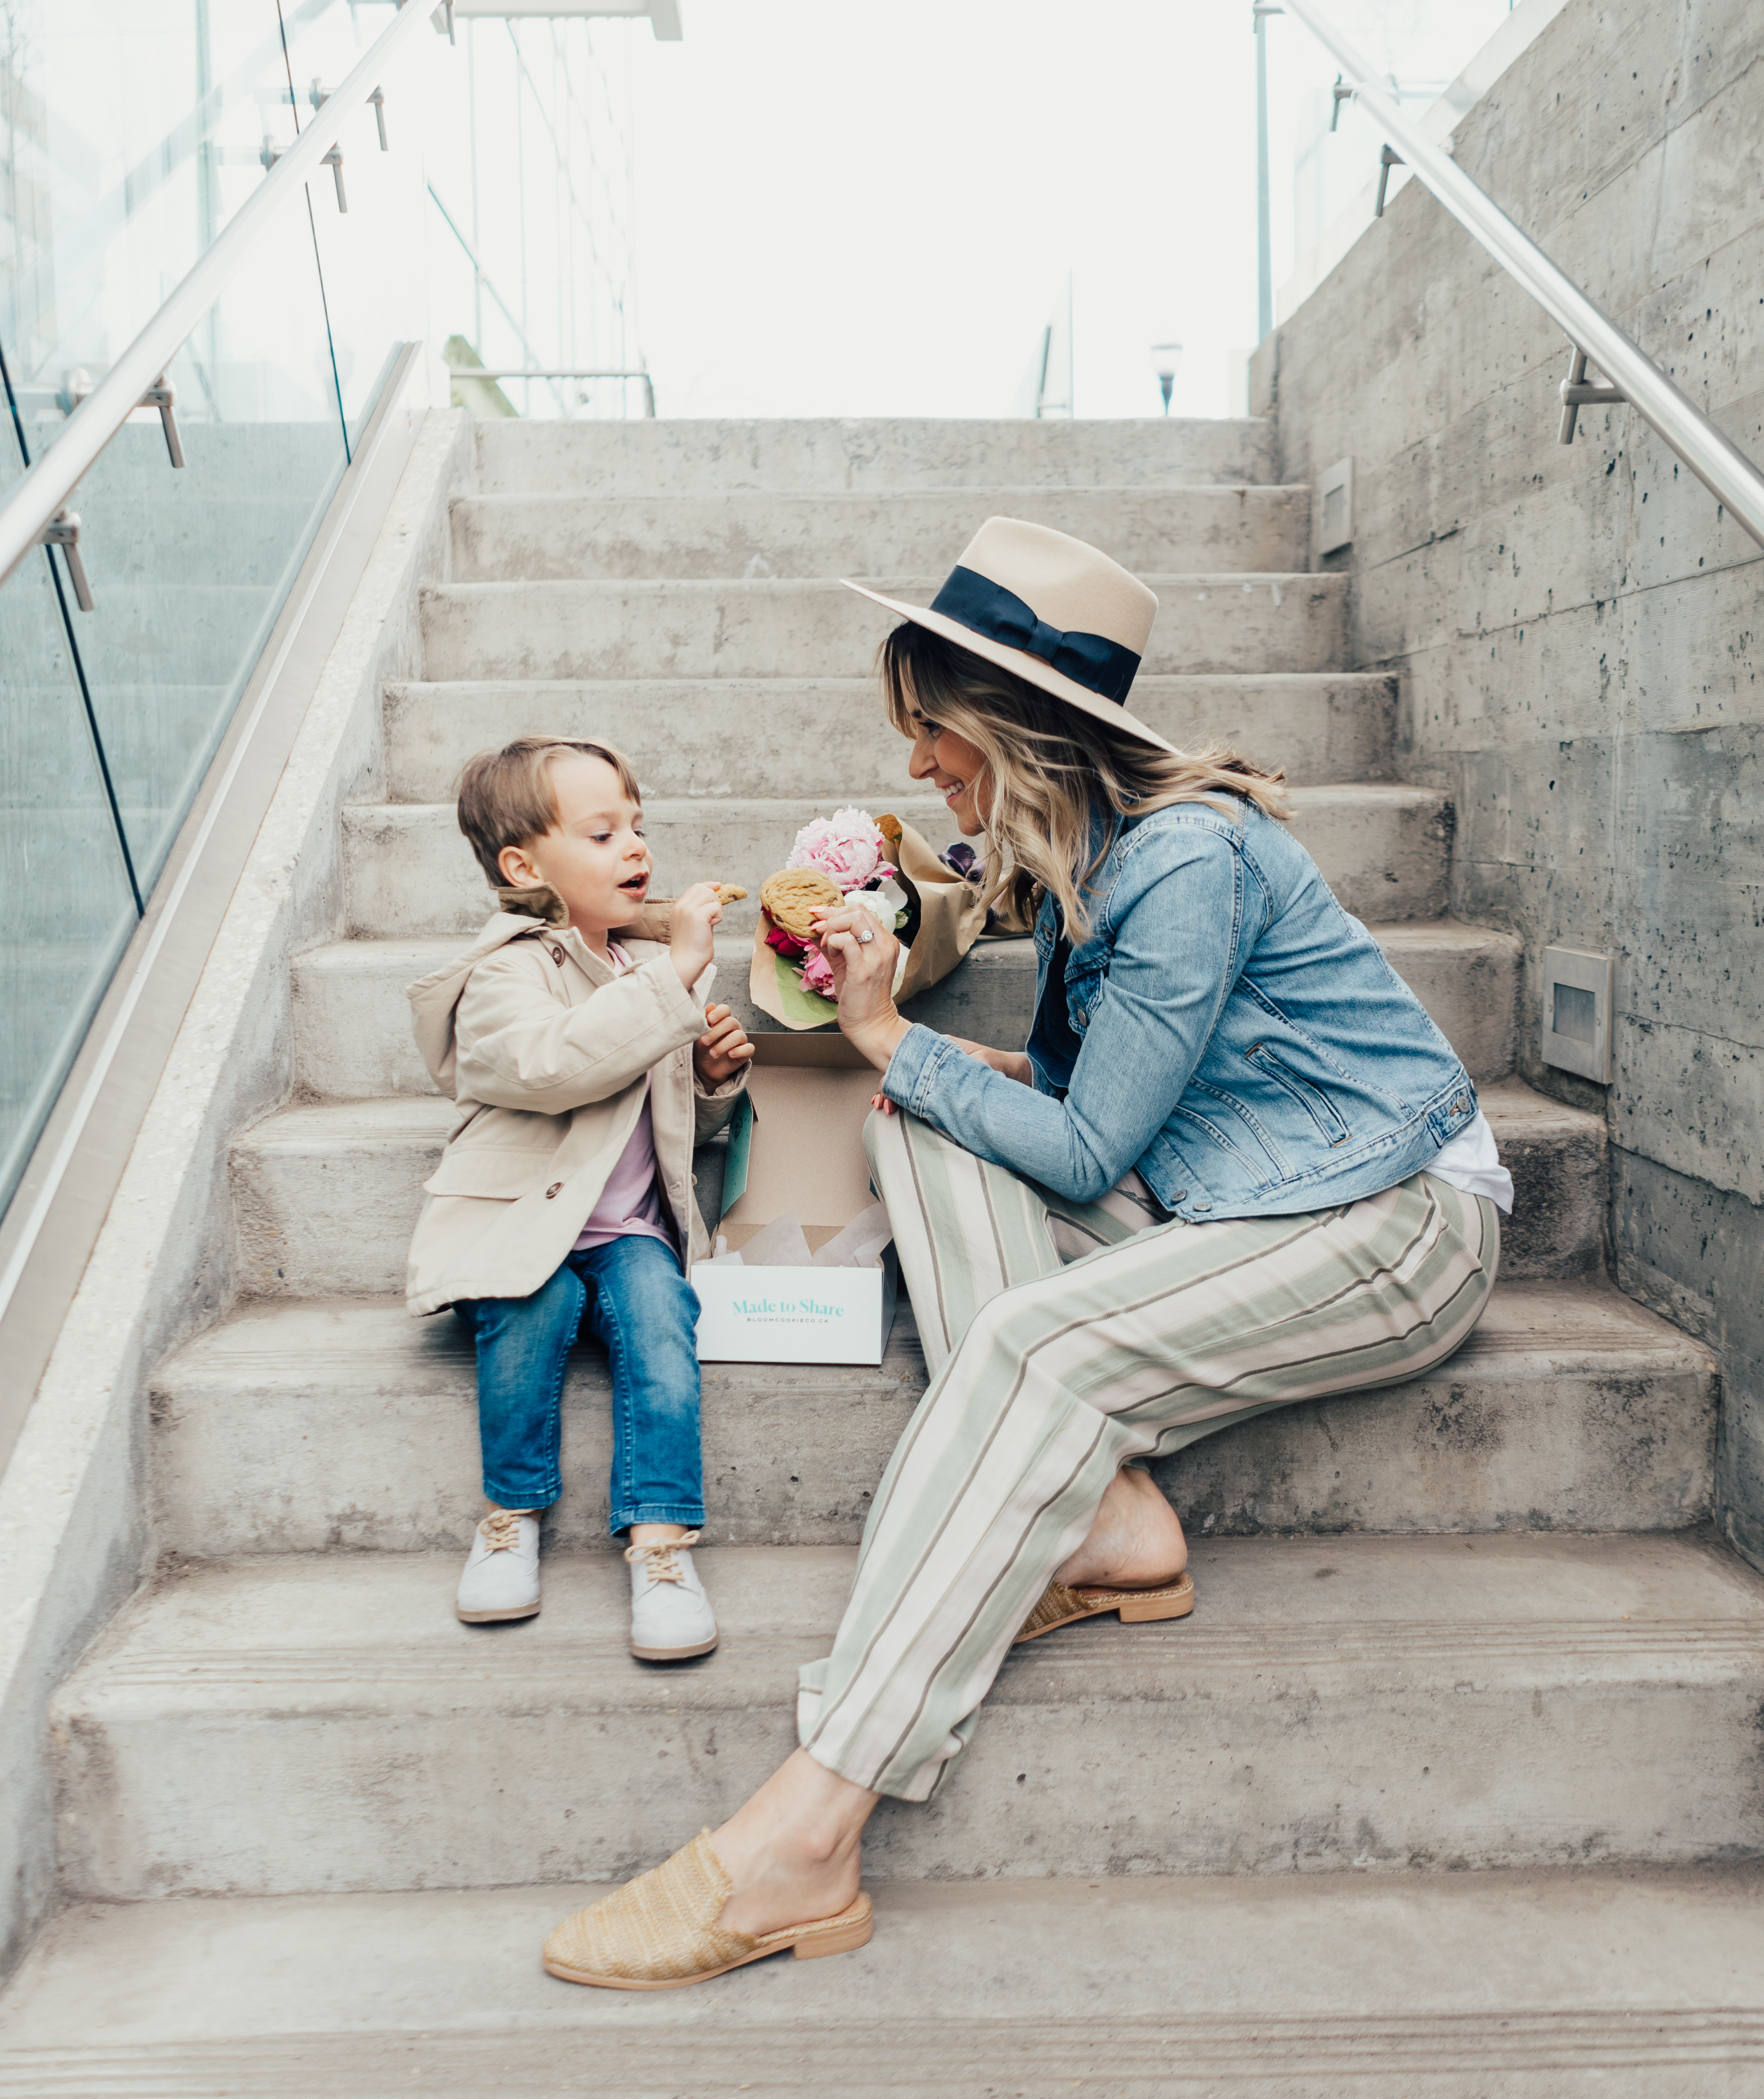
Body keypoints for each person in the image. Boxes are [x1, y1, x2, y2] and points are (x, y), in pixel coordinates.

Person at [539, 520, 1510, 1989]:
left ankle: (805, 1830)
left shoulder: (1184, 859)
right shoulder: (1076, 857)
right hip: (1240, 1193)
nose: (920, 764)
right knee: (915, 1118)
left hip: (1389, 1220)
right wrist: (895, 1032)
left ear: (1022, 727)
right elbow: (1065, 1103)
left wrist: (888, 1031)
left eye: (936, 733)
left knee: (1020, 1343)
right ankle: (1104, 1511)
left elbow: (1076, 1153)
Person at [405, 734, 753, 1659]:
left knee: (660, 1312)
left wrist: (711, 1081)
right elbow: (552, 1065)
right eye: (602, 833)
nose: (635, 847)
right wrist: (675, 978)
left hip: (627, 1232)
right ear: (525, 865)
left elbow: (673, 1129)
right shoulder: (503, 973)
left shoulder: (652, 968)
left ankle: (661, 1543)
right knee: (528, 1306)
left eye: (637, 826)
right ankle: (510, 1515)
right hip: (527, 1227)